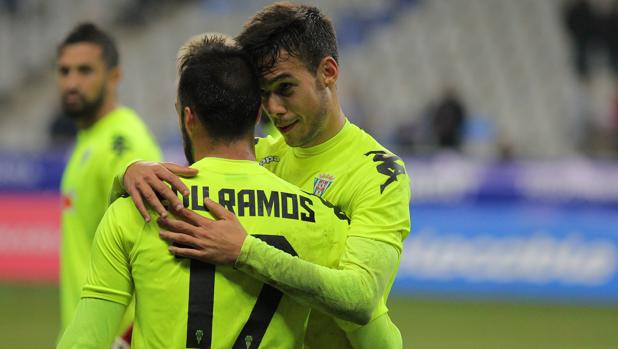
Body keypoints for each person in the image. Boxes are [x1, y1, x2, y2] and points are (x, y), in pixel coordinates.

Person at [114, 3, 411, 348]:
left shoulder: (378, 173)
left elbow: (360, 298)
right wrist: (129, 173)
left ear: (328, 72)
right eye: (263, 95)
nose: (273, 109)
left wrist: (245, 251)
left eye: (285, 88)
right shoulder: (259, 155)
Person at [57, 34, 350, 348]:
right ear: (256, 115)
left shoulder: (139, 210)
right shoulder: (320, 220)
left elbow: (83, 341)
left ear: (188, 117)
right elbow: (370, 333)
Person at [56, 22, 161, 340]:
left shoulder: (123, 140)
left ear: (114, 76)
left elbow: (155, 247)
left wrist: (126, 340)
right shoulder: (90, 137)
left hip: (115, 338)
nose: (72, 82)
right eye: (64, 71)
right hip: (89, 335)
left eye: (85, 70)